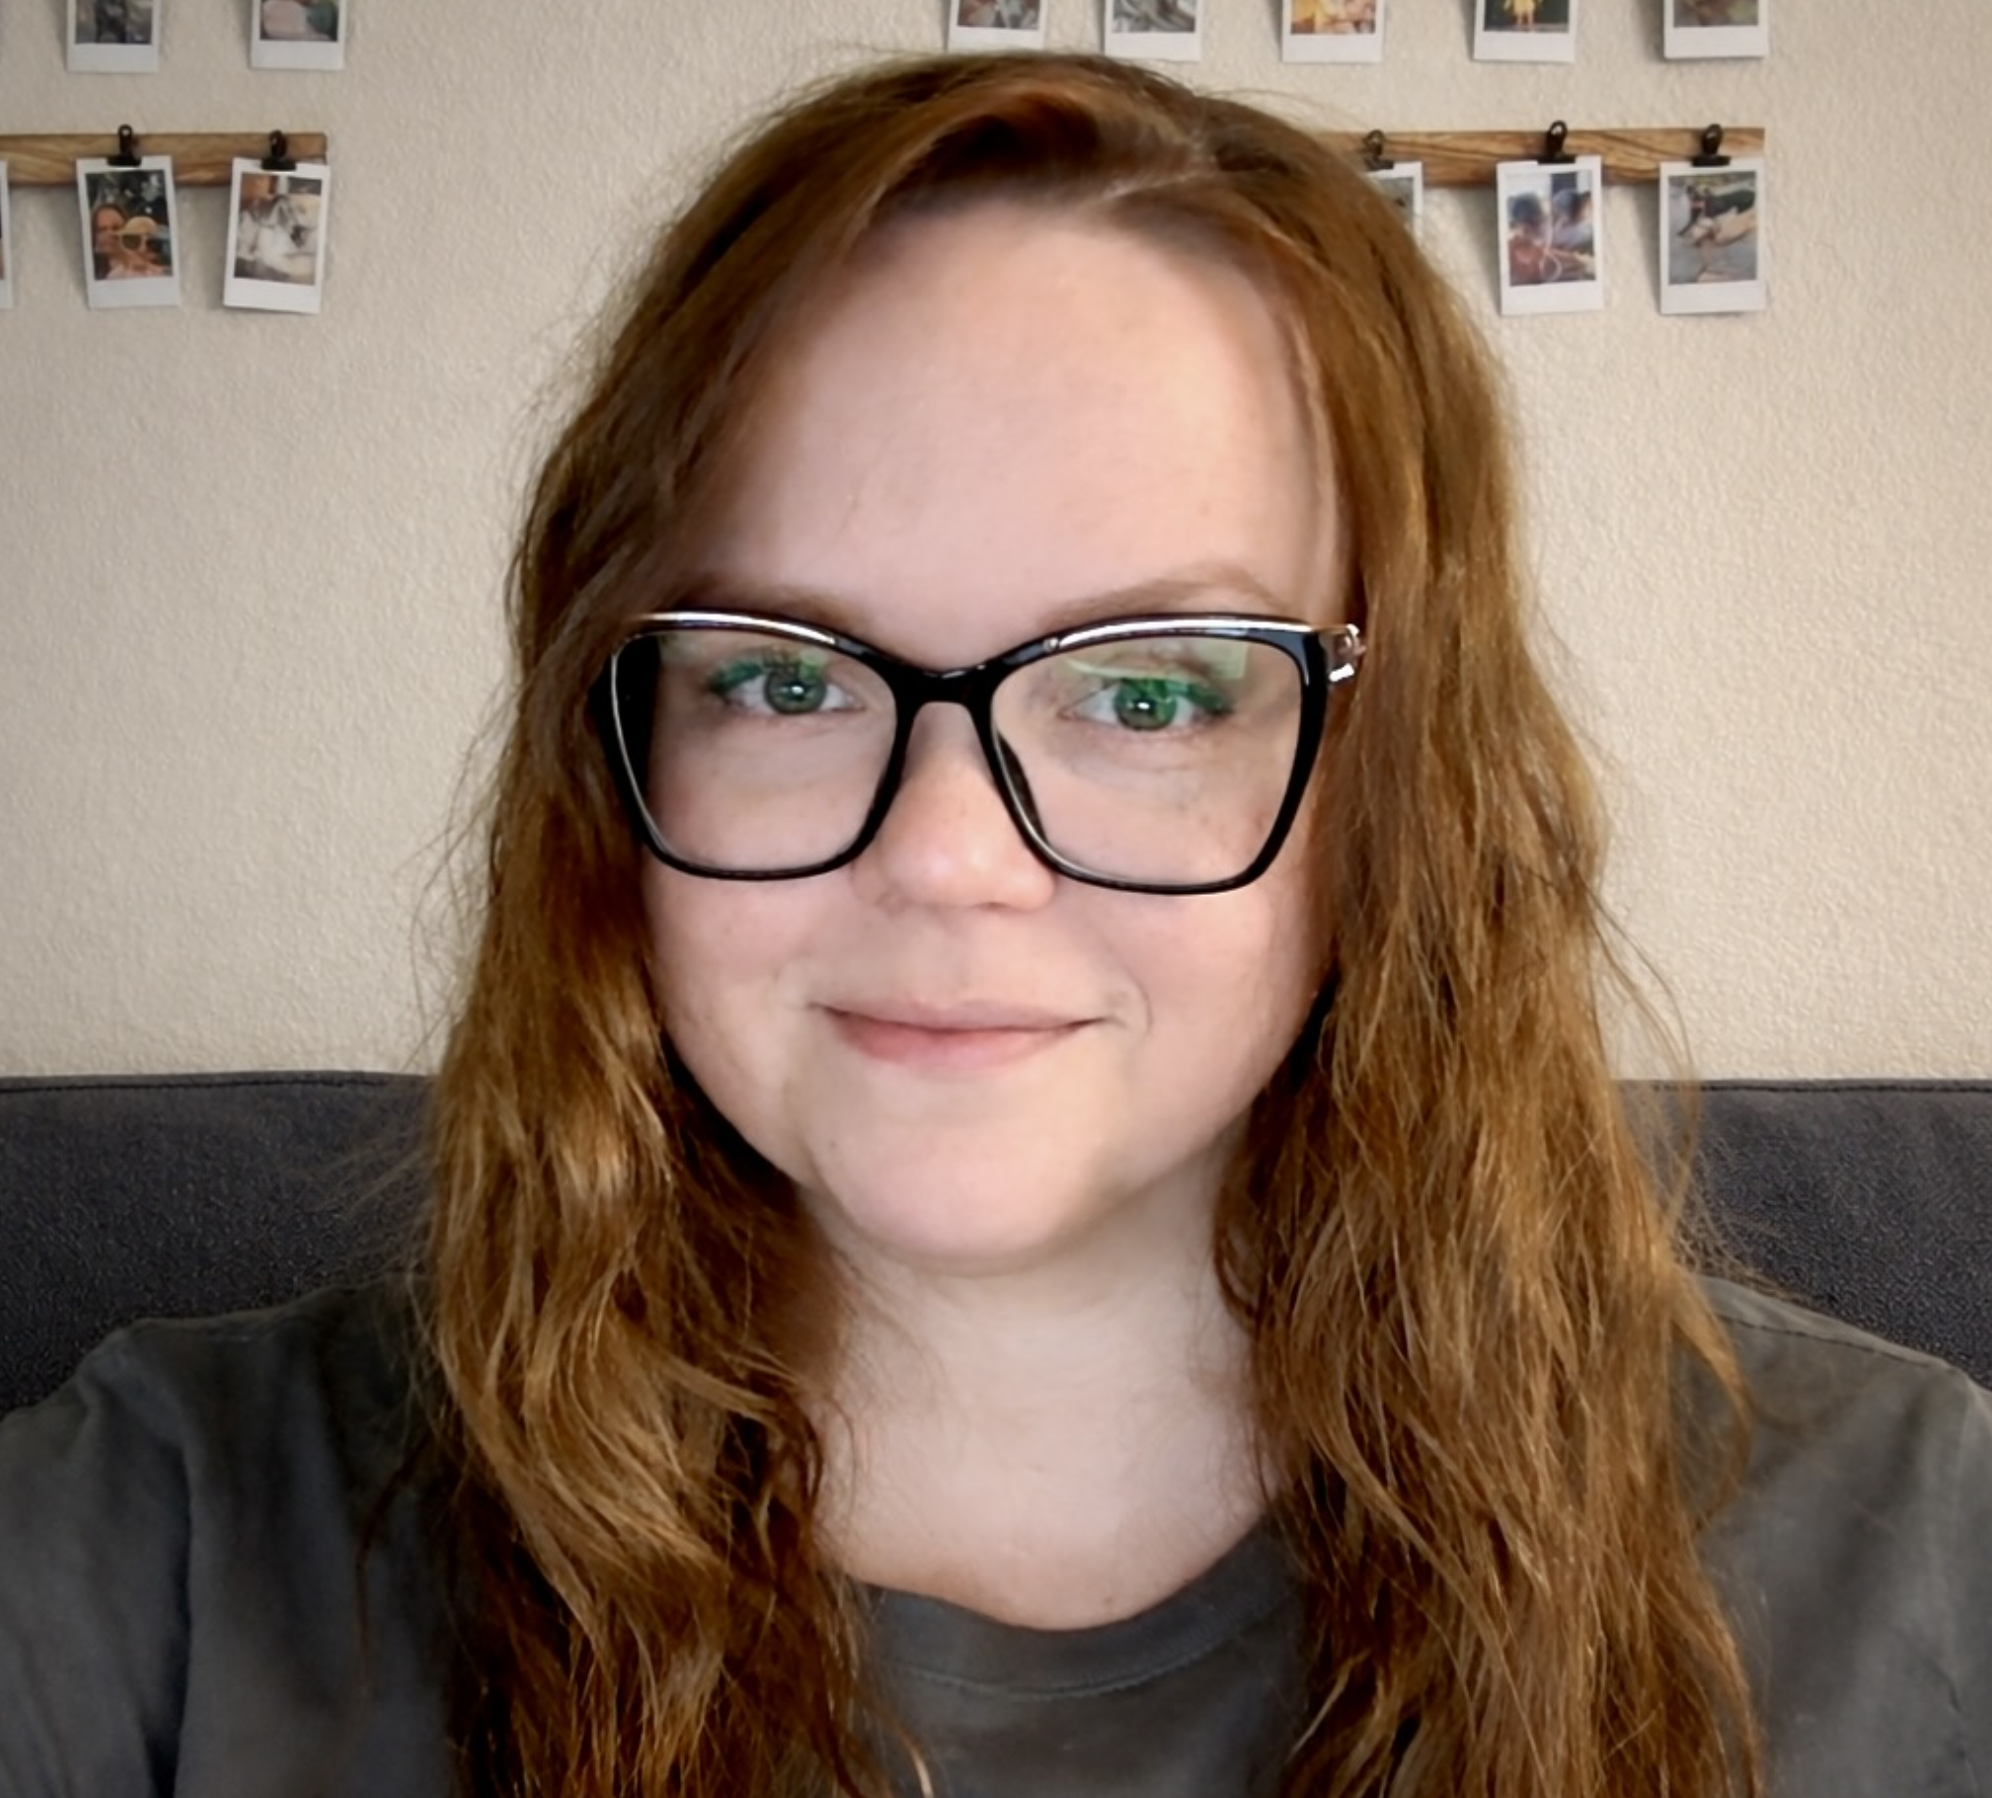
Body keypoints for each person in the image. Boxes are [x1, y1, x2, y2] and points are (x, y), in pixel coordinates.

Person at [2, 50, 1988, 1798]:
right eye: (783, 679)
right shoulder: (159, 1545)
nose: (948, 853)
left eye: (1151, 690)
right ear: (618, 766)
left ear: (1402, 781)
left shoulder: (1911, 1563)